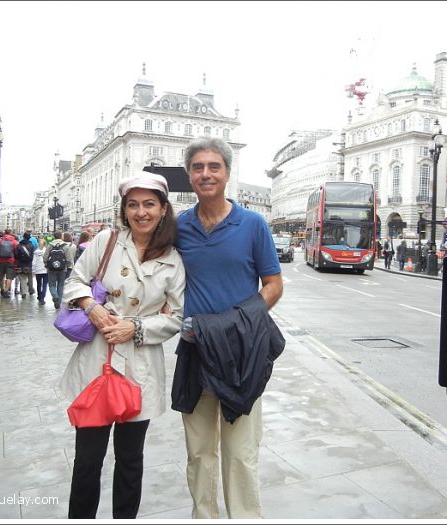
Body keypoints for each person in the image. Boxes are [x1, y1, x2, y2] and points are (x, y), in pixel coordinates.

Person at [60, 172, 185, 519]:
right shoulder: (106, 241)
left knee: (130, 460)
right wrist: (91, 306)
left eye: (149, 204)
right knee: (87, 460)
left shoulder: (174, 259)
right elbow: (75, 282)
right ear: (124, 210)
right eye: (133, 205)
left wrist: (137, 327)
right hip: (96, 364)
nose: (140, 212)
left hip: (139, 369)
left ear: (163, 209)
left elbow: (178, 315)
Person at [172, 137, 283, 519]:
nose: (206, 174)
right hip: (195, 350)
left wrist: (236, 322)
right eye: (198, 167)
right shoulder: (178, 227)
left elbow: (273, 285)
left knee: (240, 453)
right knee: (199, 451)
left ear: (227, 173)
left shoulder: (252, 224)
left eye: (213, 166)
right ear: (189, 175)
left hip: (241, 353)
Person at [44, 231, 73, 309]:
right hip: (62, 269)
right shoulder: (66, 246)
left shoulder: (50, 245)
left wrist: (46, 265)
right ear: (61, 237)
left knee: (52, 284)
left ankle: (55, 296)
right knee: (61, 285)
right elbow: (69, 259)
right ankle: (58, 302)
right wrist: (67, 266)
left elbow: (45, 257)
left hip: (51, 269)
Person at [0, 228, 19, 298]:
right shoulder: (14, 241)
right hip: (11, 261)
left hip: (1, 261)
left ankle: (2, 289)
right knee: (9, 277)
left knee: (0, 276)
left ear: (4, 232)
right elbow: (17, 252)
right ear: (10, 233)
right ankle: (6, 291)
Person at [32, 238, 48, 305]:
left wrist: (33, 270)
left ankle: (39, 296)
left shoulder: (36, 252)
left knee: (39, 284)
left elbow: (34, 262)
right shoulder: (47, 251)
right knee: (44, 285)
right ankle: (42, 298)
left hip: (38, 270)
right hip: (46, 270)